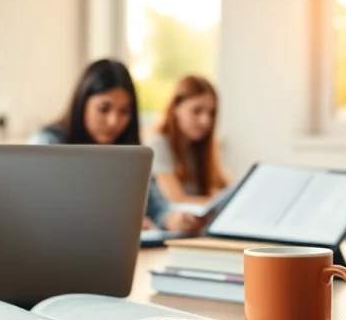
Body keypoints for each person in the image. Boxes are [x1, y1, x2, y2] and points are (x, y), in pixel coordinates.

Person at [30, 59, 202, 233]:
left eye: (124, 112)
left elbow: (156, 206)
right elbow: (42, 208)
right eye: (104, 109)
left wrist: (172, 219)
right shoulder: (48, 143)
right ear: (82, 103)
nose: (114, 122)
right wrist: (111, 222)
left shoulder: (131, 152)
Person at [148, 75, 230, 203]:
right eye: (197, 111)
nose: (206, 121)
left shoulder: (201, 148)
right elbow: (176, 200)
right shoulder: (157, 144)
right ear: (176, 108)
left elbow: (227, 189)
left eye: (211, 113)